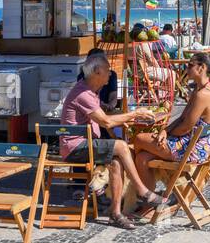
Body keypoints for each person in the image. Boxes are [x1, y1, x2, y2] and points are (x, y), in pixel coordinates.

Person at [64, 52, 162, 229]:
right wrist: (135, 113)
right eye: (107, 70)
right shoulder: (84, 93)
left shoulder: (91, 90)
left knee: (116, 162)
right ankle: (142, 191)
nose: (110, 74)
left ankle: (116, 213)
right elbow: (106, 121)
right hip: (76, 147)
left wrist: (129, 118)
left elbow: (105, 118)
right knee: (122, 146)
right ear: (96, 71)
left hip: (86, 143)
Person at [133, 53, 210, 213]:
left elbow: (186, 127)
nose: (185, 68)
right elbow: (182, 117)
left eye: (190, 65)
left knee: (138, 139)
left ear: (201, 68)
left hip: (190, 150)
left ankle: (141, 190)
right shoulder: (203, 89)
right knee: (142, 158)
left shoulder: (202, 95)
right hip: (193, 144)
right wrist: (165, 131)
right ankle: (149, 202)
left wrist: (167, 135)